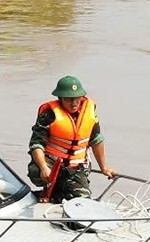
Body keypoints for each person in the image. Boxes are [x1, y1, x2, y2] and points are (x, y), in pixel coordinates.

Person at [28, 75, 116, 204]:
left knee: (83, 202)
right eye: (69, 99)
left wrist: (104, 168)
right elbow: (36, 144)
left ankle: (61, 193)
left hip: (76, 167)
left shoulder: (89, 112)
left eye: (77, 99)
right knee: (36, 171)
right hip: (53, 164)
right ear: (60, 98)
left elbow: (97, 140)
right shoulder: (48, 114)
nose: (74, 103)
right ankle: (51, 189)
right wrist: (43, 168)